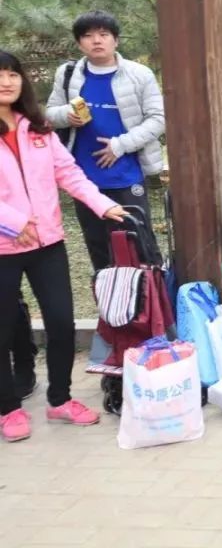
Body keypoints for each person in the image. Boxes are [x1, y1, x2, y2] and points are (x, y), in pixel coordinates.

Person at [0, 50, 128, 442]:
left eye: (13, 74)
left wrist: (103, 205)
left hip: (48, 243)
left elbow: (69, 173)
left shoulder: (37, 128)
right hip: (4, 248)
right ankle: (8, 408)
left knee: (60, 322)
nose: (6, 81)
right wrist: (14, 223)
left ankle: (60, 399)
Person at [45, 10, 166, 271]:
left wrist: (119, 145)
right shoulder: (68, 74)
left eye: (103, 34)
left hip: (127, 173)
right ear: (79, 43)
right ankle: (108, 295)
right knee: (98, 247)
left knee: (140, 243)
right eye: (88, 36)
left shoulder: (139, 74)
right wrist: (66, 115)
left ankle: (150, 295)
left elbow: (158, 119)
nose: (97, 40)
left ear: (116, 40)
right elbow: (50, 114)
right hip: (84, 177)